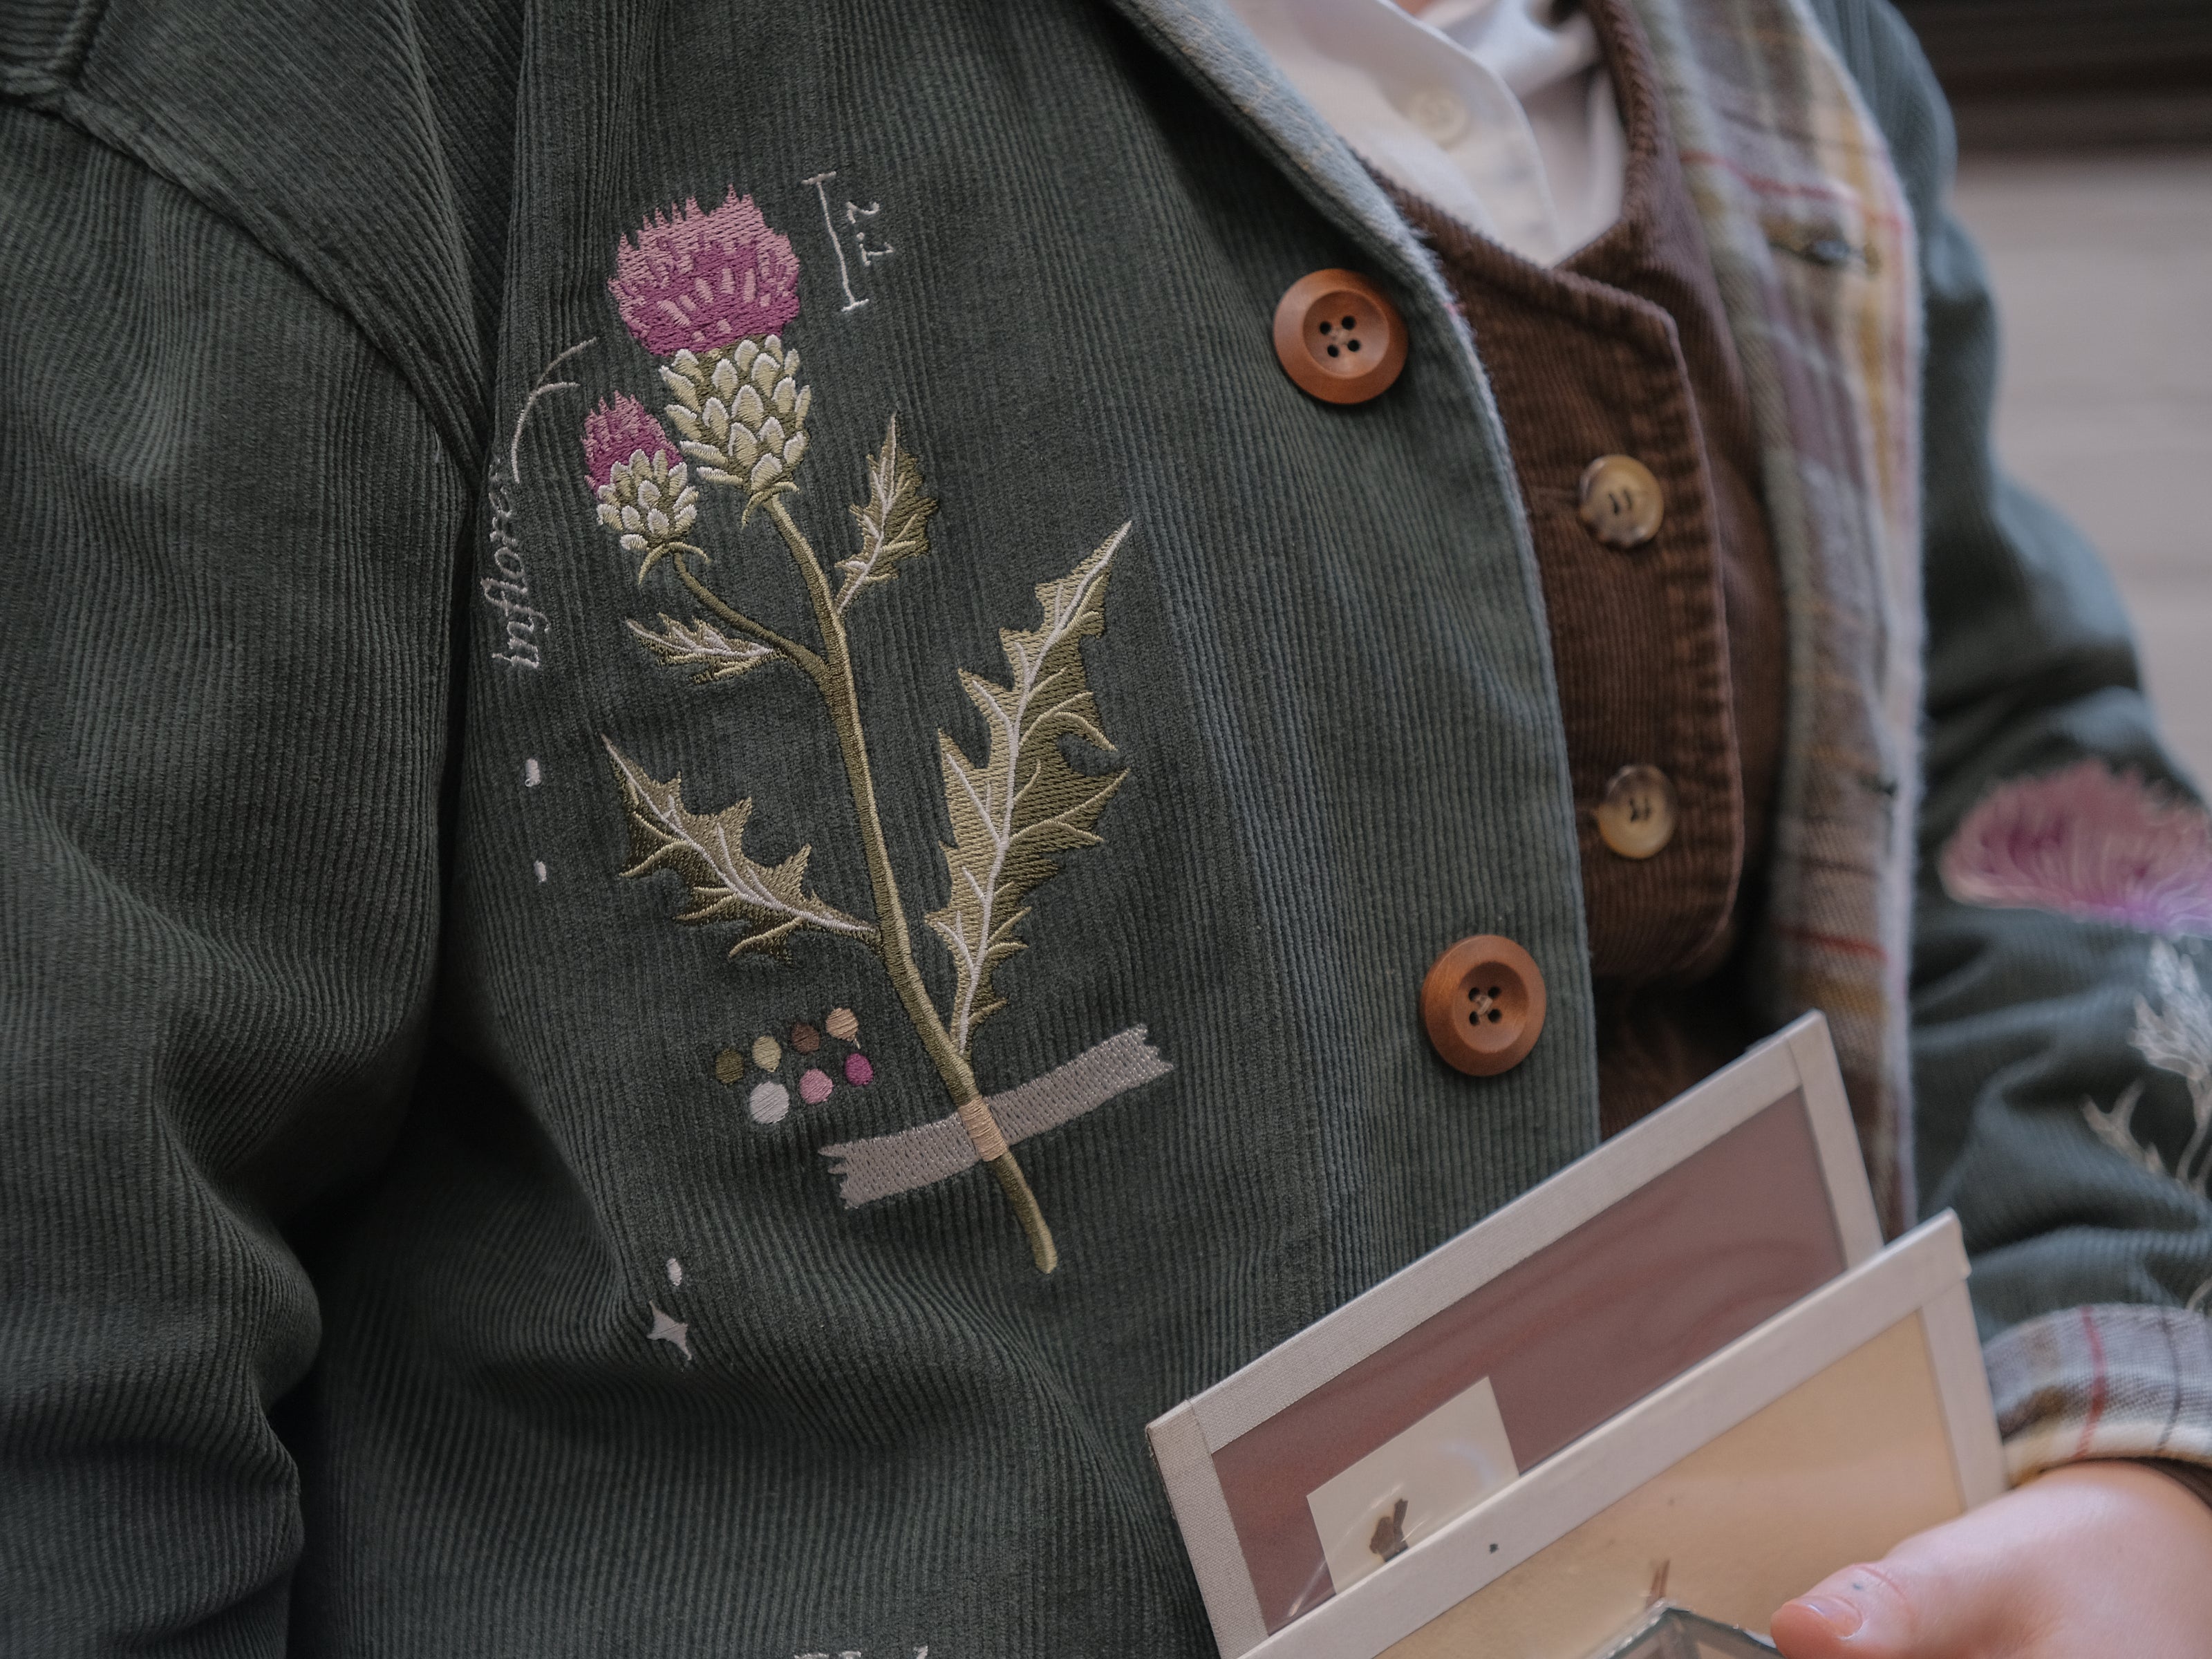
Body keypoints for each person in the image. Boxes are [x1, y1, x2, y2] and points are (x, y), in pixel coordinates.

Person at [2, 0, 2208, 1653]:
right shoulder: (331, 62)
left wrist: (2130, 1451)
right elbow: (69, 1274)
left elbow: (2021, 764)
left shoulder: (1779, 47)